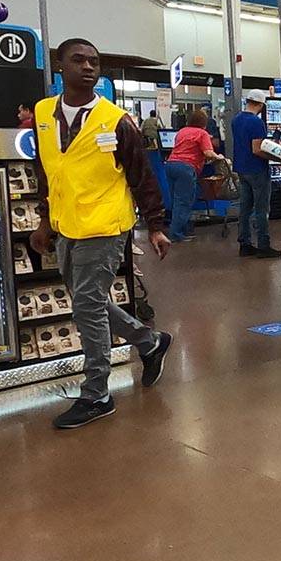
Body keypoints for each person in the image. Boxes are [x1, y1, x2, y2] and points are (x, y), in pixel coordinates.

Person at [29, 38, 172, 430]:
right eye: (79, 60)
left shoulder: (116, 120)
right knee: (87, 301)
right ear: (61, 67)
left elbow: (142, 178)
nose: (88, 67)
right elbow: (47, 171)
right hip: (65, 225)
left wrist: (156, 227)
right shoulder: (43, 114)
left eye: (94, 62)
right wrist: (44, 221)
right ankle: (149, 341)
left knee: (87, 306)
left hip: (106, 226)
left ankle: (97, 394)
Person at [231, 89, 281, 258]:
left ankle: (244, 244)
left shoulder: (236, 119)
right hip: (257, 169)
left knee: (245, 208)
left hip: (241, 168)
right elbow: (257, 149)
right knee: (261, 209)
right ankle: (263, 245)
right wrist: (277, 157)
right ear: (260, 105)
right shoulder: (256, 122)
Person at [164, 108, 221, 242]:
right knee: (183, 202)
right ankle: (176, 234)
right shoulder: (202, 133)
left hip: (170, 165)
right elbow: (208, 153)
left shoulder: (182, 132)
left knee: (175, 201)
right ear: (204, 122)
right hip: (186, 168)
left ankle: (179, 230)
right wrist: (219, 157)